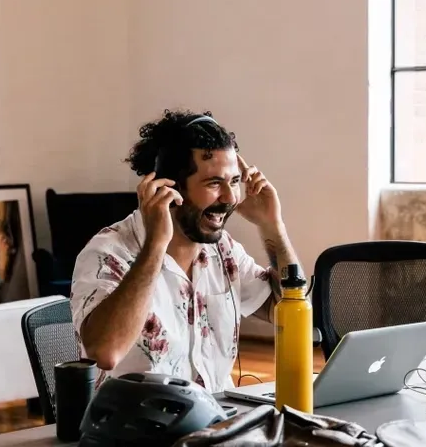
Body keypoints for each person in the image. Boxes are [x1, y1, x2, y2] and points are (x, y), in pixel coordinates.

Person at [70, 109, 301, 392]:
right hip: (138, 418)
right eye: (214, 183)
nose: (230, 198)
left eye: (234, 181)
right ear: (169, 187)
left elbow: (290, 314)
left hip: (217, 414)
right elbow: (104, 353)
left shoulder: (223, 249)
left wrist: (272, 226)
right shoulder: (108, 253)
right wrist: (156, 245)